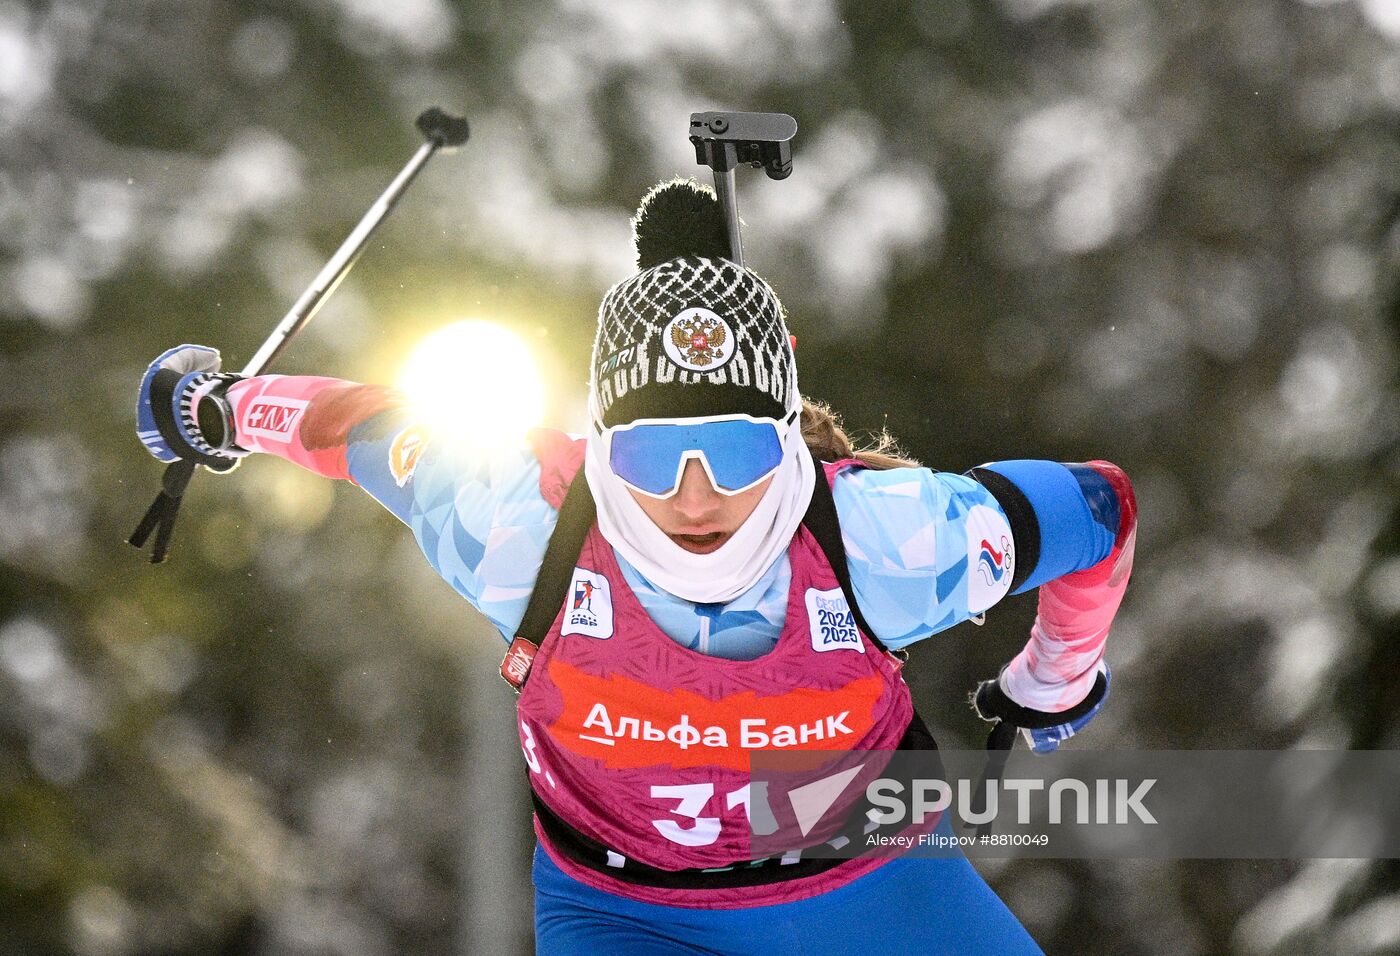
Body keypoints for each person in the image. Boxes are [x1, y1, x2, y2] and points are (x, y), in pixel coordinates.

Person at [136, 179, 1136, 955]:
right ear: (598, 442)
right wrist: (212, 406)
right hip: (632, 915)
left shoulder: (888, 538)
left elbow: (1098, 507)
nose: (693, 498)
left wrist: (1054, 675)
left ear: (786, 442)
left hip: (877, 890)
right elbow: (357, 424)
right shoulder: (520, 520)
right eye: (652, 458)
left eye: (735, 455)